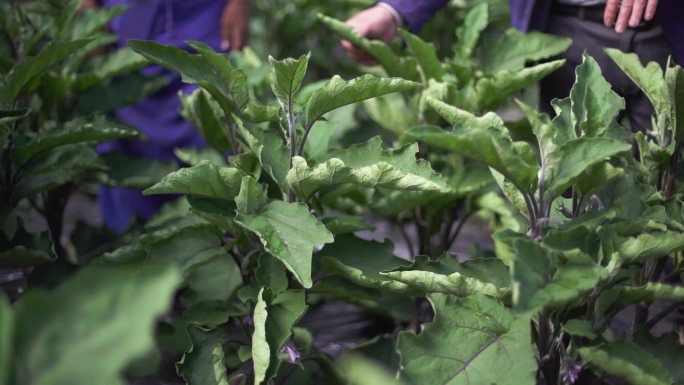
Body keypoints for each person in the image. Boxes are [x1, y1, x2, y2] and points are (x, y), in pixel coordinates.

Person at [343, 0, 684, 131]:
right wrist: (395, 10)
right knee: (572, 203)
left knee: (669, 198)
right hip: (559, 30)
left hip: (669, 30)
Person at [81, 0, 250, 234]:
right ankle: (135, 249)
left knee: (215, 119)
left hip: (204, 14)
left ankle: (226, 248)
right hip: (126, 19)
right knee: (126, 140)